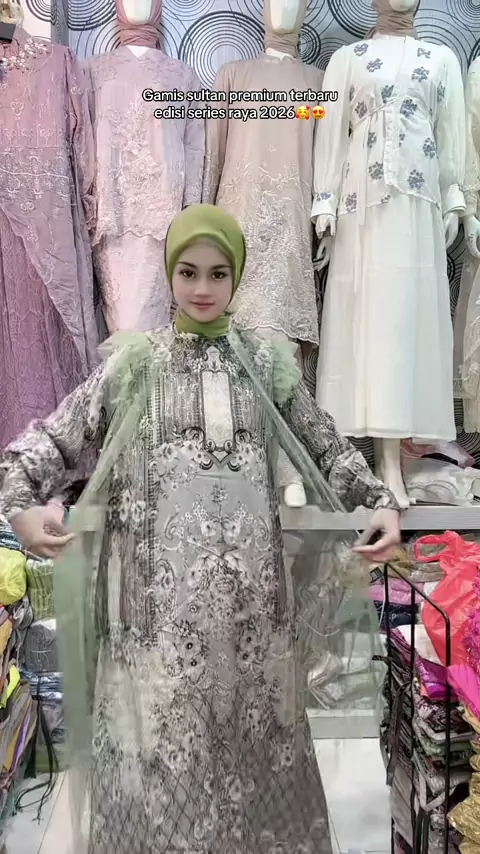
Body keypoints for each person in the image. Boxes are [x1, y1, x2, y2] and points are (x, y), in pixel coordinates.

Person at [0, 204, 400, 853]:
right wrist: (22, 502)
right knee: (164, 768)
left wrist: (378, 499)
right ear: (170, 274)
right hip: (156, 626)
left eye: (218, 273)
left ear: (236, 277)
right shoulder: (135, 365)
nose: (203, 288)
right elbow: (52, 441)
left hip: (253, 624)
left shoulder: (264, 367)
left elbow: (325, 446)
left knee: (254, 764)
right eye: (188, 272)